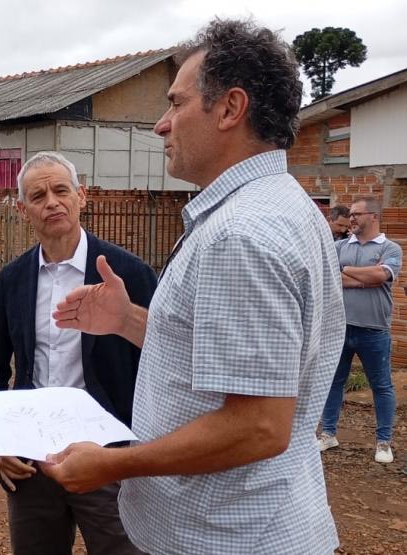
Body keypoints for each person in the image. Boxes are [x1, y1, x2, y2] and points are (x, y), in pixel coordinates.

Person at [41, 19, 346, 554]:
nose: (161, 125)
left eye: (176, 104)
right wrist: (128, 320)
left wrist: (114, 462)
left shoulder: (241, 235)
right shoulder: (278, 206)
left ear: (230, 108)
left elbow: (257, 427)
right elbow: (225, 361)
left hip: (225, 537)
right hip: (250, 522)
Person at [0, 151, 155, 555]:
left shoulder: (127, 274)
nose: (51, 202)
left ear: (81, 196)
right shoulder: (14, 278)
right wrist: (0, 443)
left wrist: (137, 454)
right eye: (38, 196)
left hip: (107, 456)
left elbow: (156, 365)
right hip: (32, 460)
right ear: (23, 210)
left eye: (60, 190)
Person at [319, 196, 401, 463]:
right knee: (334, 383)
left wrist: (348, 270)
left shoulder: (391, 248)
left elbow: (381, 276)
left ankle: (383, 442)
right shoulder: (340, 245)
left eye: (356, 214)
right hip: (338, 327)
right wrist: (365, 277)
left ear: (373, 216)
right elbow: (331, 277)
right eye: (350, 215)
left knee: (382, 386)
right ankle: (328, 434)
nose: (351, 219)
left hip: (374, 330)